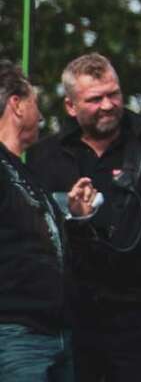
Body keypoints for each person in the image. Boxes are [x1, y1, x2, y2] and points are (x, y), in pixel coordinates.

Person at [26, 53, 141, 382]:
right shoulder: (45, 156)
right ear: (70, 106)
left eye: (114, 94)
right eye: (95, 99)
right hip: (71, 314)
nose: (109, 105)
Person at [1, 60, 99, 382]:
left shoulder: (27, 173)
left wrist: (78, 219)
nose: (41, 116)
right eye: (35, 103)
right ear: (16, 104)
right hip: (15, 335)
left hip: (56, 333)